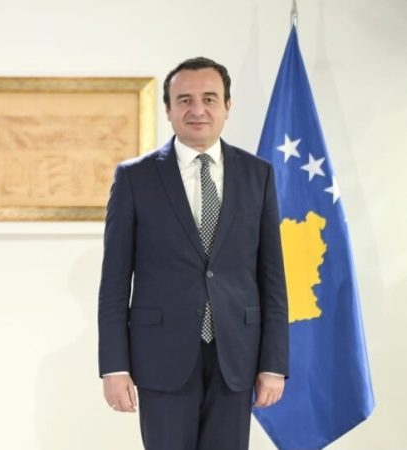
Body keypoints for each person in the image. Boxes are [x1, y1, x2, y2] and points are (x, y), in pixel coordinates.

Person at [97, 57, 288, 449]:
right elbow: (114, 282)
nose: (197, 109)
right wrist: (114, 366)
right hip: (161, 357)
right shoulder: (135, 178)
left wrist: (274, 363)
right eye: (184, 100)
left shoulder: (258, 175)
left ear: (228, 106)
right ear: (168, 110)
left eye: (209, 99)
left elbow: (272, 278)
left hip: (237, 356)